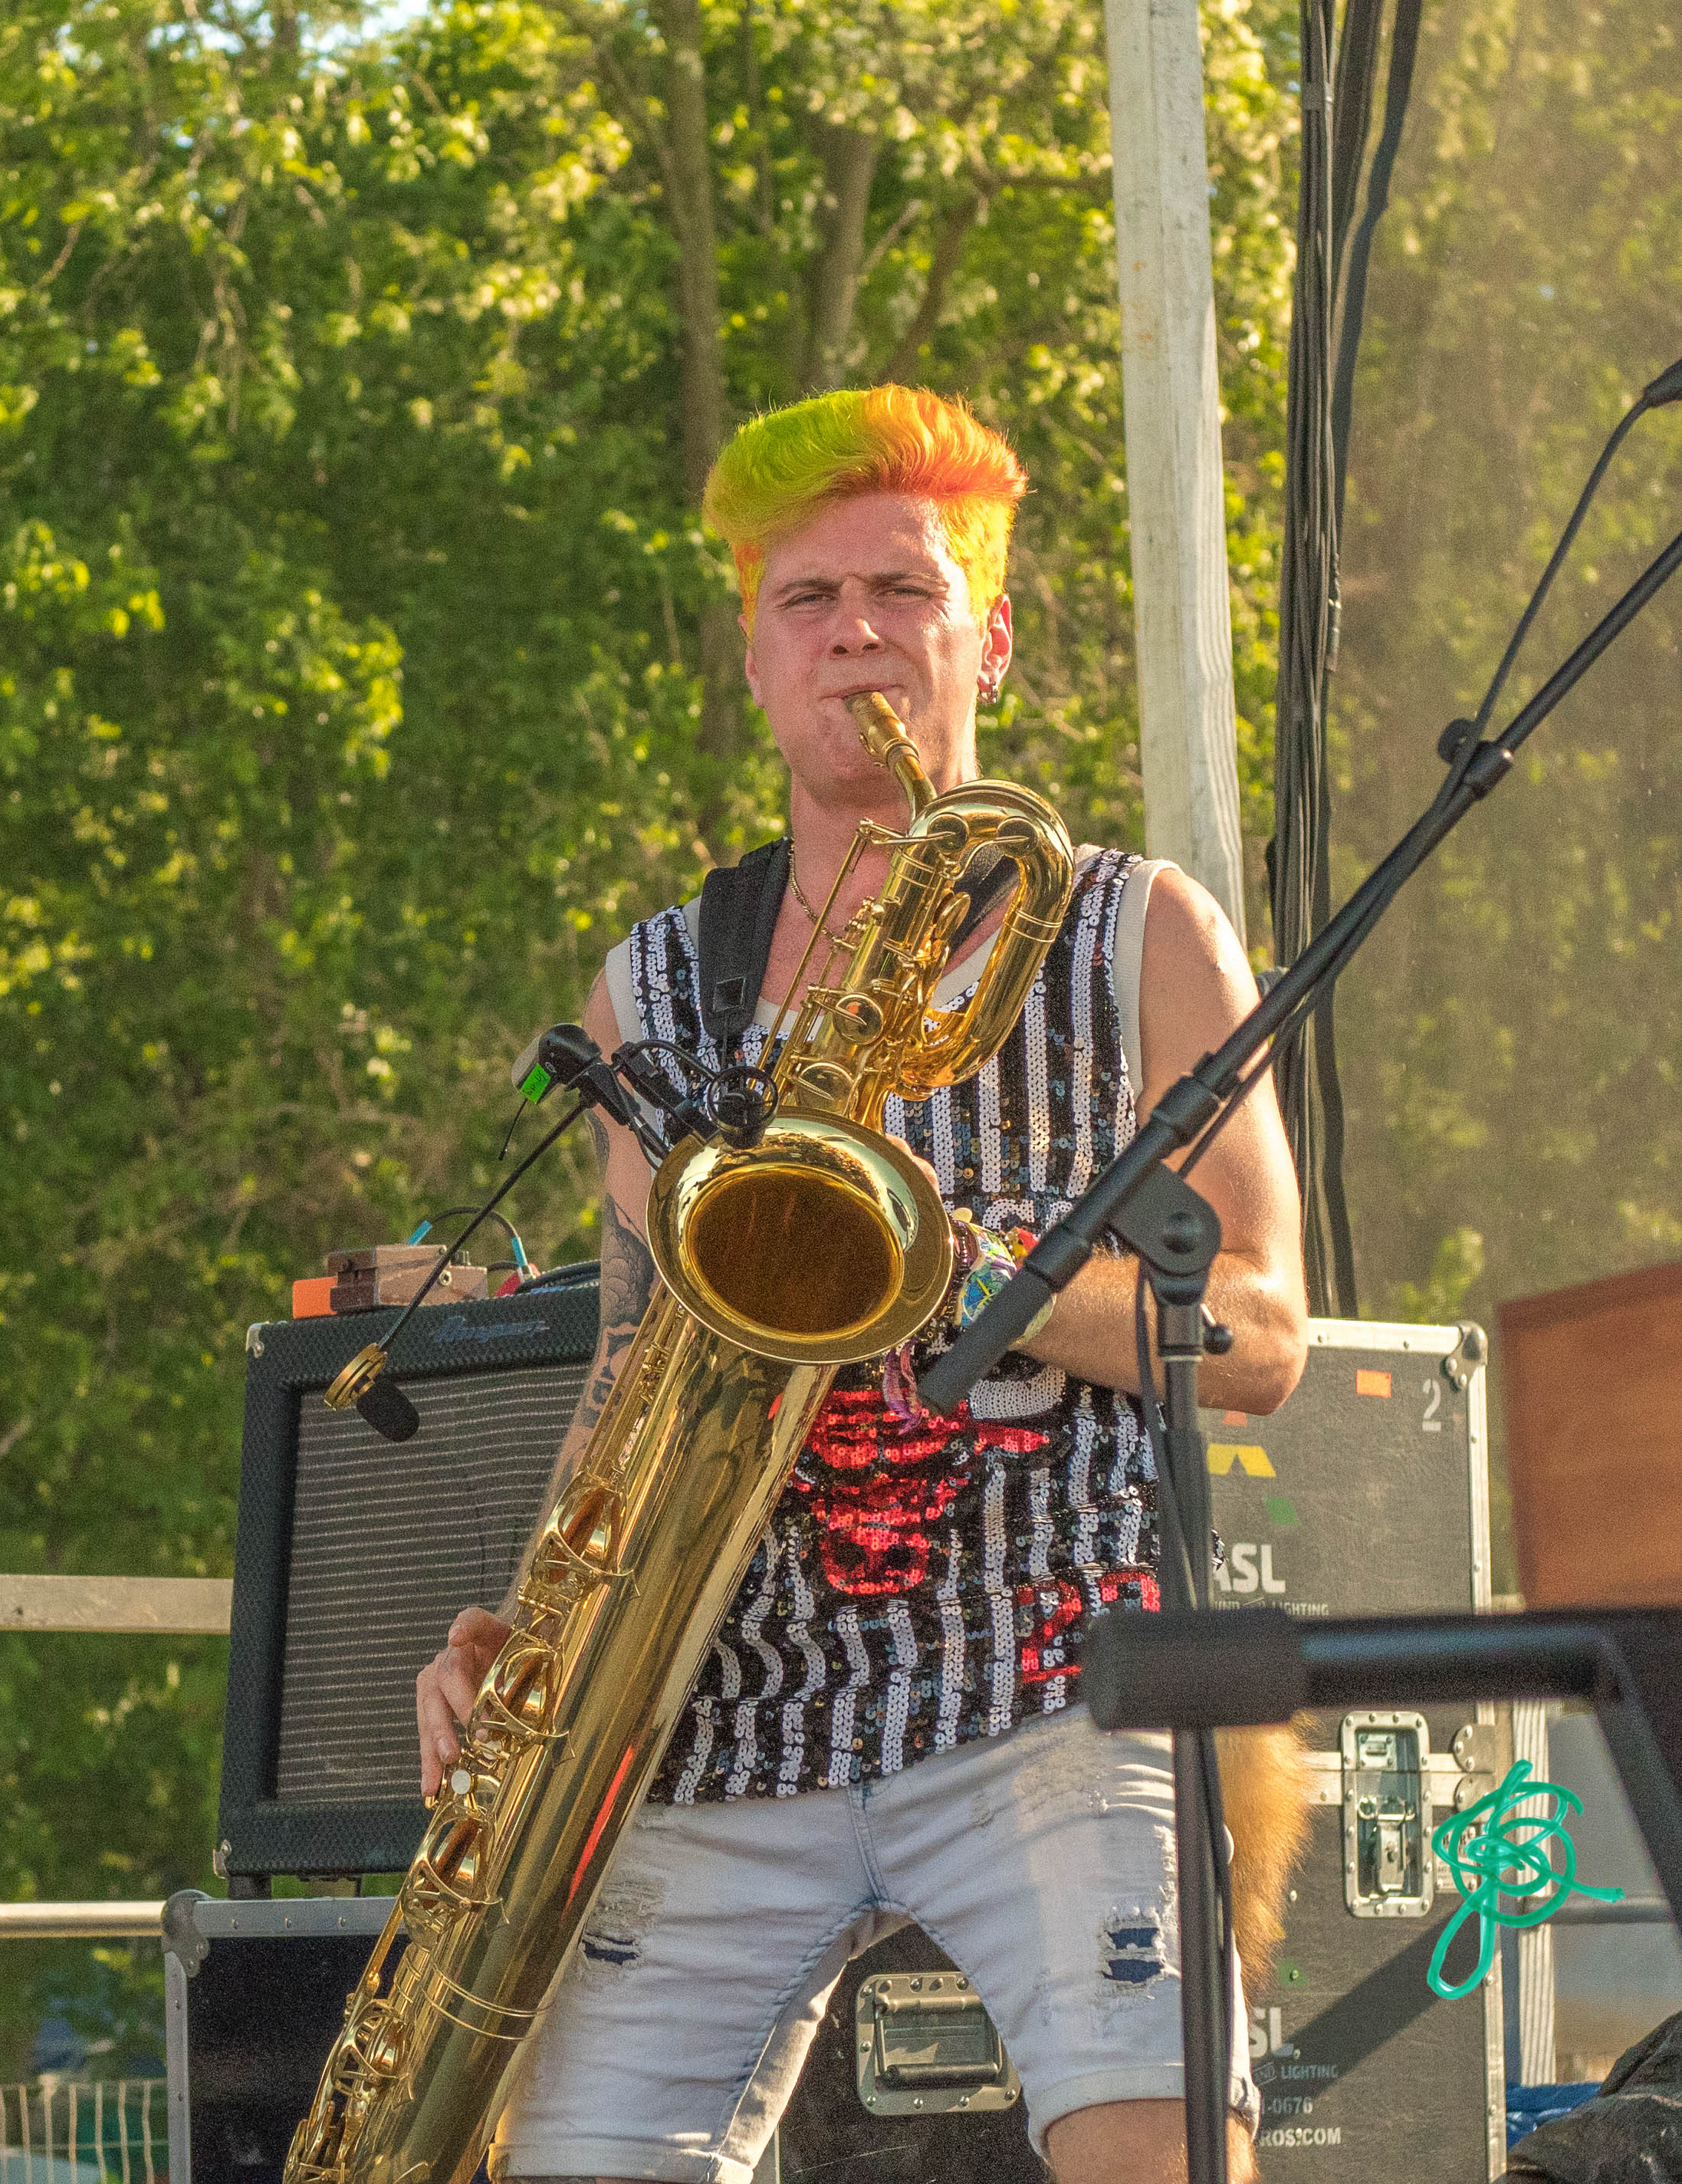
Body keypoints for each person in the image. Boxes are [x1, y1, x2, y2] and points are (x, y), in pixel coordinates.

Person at [412, 387, 1307, 2184]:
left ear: (985, 633)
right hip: (724, 1702)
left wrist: (953, 1265)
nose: (855, 637)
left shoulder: (1142, 931)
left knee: (1159, 2154)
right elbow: (623, 1367)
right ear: (752, 657)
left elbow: (1266, 1332)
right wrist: (520, 1636)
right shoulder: (650, 986)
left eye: (901, 590)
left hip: (1051, 1675)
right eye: (806, 599)